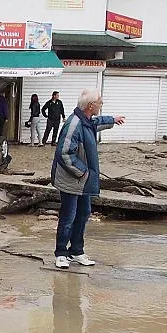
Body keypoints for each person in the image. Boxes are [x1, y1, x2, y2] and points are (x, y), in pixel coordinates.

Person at [51, 89, 125, 269]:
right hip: (72, 180)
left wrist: (112, 120)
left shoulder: (86, 120)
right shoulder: (74, 124)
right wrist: (83, 172)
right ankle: (61, 253)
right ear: (91, 106)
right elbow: (64, 153)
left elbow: (97, 122)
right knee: (68, 217)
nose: (101, 105)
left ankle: (76, 251)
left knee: (84, 214)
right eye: (99, 102)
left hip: (83, 181)